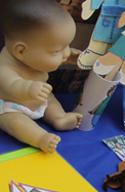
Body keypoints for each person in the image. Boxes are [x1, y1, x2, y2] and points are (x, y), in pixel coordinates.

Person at [0, 0, 82, 153]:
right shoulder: (4, 67)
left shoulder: (32, 53)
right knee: (14, 121)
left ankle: (60, 118)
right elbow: (10, 85)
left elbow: (64, 55)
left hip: (39, 96)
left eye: (67, 46)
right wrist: (28, 88)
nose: (65, 53)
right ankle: (39, 138)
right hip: (11, 105)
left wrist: (72, 57)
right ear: (21, 51)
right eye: (57, 51)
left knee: (50, 99)